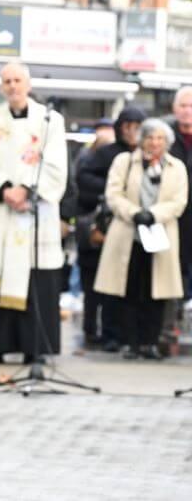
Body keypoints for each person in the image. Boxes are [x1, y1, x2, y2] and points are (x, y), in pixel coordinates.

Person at [0, 62, 68, 365]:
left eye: (17, 80)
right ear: (1, 86)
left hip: (35, 214)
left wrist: (26, 189)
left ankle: (35, 347)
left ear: (27, 83)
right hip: (2, 212)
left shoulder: (50, 120)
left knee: (36, 278)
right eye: (7, 81)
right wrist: (3, 190)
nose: (12, 86)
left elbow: (55, 164)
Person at [94, 118, 188, 359]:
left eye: (159, 138)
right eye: (150, 137)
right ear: (141, 139)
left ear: (167, 142)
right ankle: (130, 342)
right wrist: (135, 214)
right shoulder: (124, 162)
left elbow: (179, 201)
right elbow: (113, 194)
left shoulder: (176, 167)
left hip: (160, 234)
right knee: (128, 290)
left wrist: (154, 214)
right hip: (128, 233)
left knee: (155, 292)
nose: (154, 143)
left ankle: (151, 342)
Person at [72, 107, 145, 351]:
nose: (131, 131)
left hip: (133, 228)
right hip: (103, 227)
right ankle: (97, 331)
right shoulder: (106, 154)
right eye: (127, 125)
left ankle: (124, 333)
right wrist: (113, 189)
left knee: (127, 286)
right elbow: (84, 180)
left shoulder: (146, 155)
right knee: (97, 286)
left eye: (137, 126)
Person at [164, 86, 192, 300]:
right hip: (172, 214)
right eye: (183, 105)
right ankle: (173, 317)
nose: (187, 110)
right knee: (173, 268)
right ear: (175, 108)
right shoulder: (163, 137)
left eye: (191, 106)